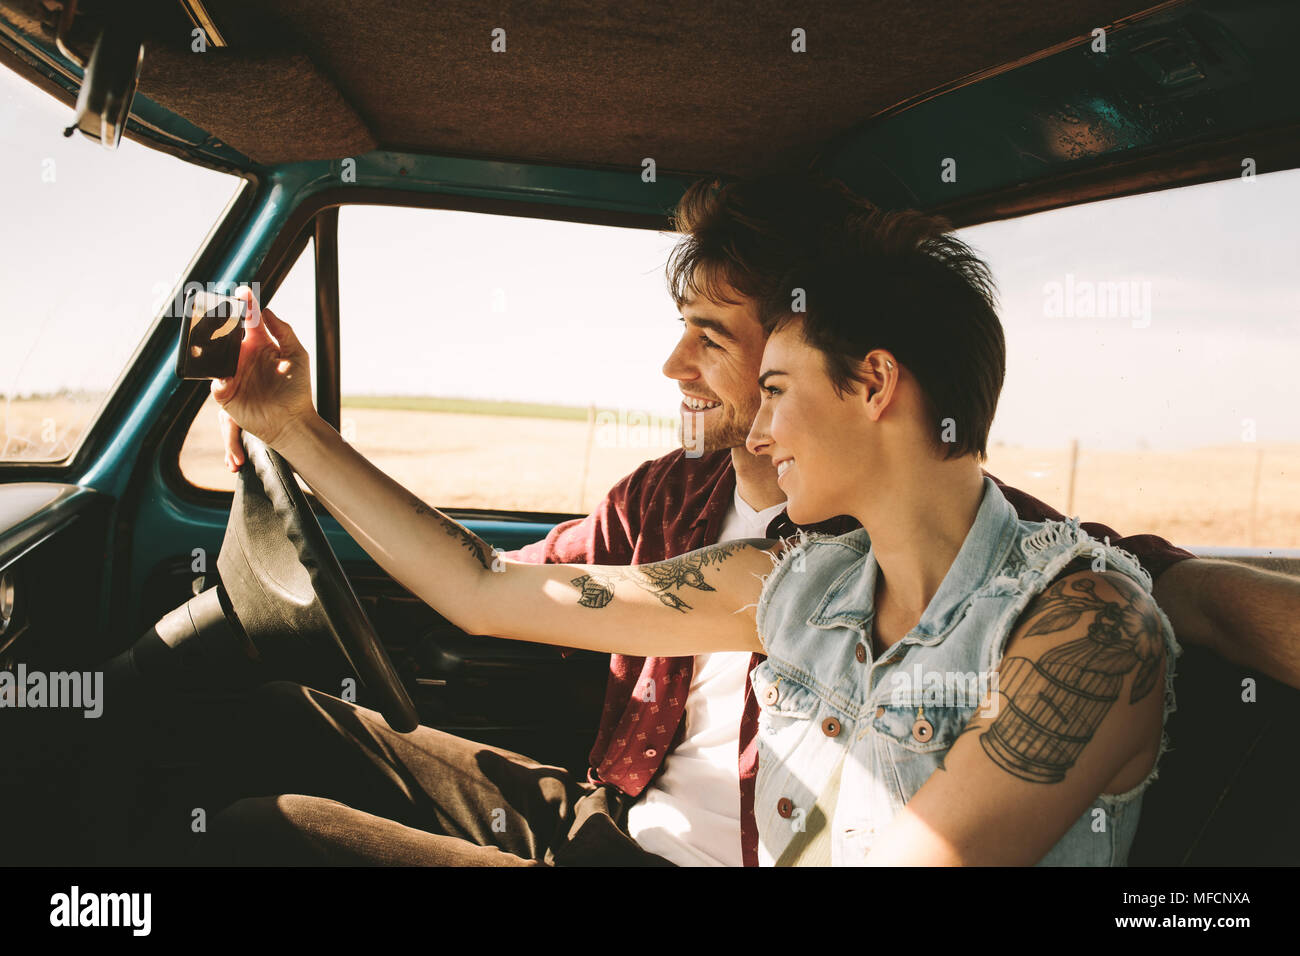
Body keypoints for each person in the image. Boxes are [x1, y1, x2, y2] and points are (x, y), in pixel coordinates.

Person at [202, 174, 1300, 866]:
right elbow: (488, 590)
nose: (756, 429)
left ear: (873, 384)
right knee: (262, 822)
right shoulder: (791, 579)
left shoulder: (1084, 629)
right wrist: (294, 427)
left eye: (774, 388)